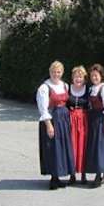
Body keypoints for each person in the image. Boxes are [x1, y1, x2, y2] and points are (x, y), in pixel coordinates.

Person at [36, 60, 75, 190]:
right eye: (54, 72)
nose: (56, 74)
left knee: (61, 147)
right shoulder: (44, 88)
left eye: (58, 72)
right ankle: (53, 179)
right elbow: (43, 109)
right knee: (52, 148)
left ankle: (58, 176)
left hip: (63, 119)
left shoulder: (65, 85)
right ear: (50, 72)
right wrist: (49, 125)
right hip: (52, 119)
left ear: (62, 72)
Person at [85, 63, 104, 188]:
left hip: (102, 120)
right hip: (93, 120)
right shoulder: (92, 89)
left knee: (101, 148)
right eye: (92, 76)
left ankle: (99, 176)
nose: (94, 78)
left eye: (96, 75)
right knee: (95, 147)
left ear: (101, 76)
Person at [67, 65, 89, 185]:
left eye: (80, 77)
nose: (78, 79)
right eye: (76, 76)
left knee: (83, 146)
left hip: (84, 120)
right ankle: (72, 174)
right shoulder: (67, 88)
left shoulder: (88, 89)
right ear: (73, 78)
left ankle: (83, 174)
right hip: (71, 120)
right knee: (72, 146)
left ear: (84, 78)